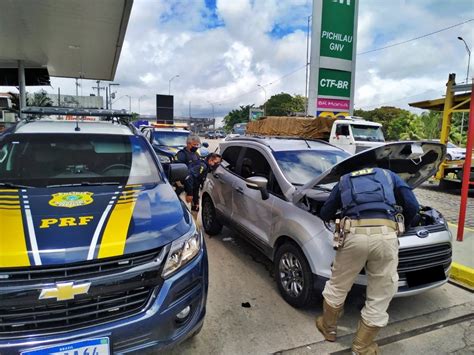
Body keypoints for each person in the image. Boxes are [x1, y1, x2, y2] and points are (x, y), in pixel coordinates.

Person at [316, 167, 419, 355]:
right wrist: (408, 224)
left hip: (353, 233)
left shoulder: (345, 179)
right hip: (386, 235)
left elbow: (325, 212)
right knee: (380, 293)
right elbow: (412, 205)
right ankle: (362, 347)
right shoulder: (389, 175)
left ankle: (329, 329)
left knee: (338, 285)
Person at [175, 134, 202, 211]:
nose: (196, 146)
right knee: (184, 209)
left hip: (194, 187)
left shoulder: (196, 154)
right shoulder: (181, 155)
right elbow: (176, 172)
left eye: (197, 144)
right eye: (194, 144)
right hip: (184, 188)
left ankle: (194, 222)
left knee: (195, 208)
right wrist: (183, 188)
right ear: (188, 144)